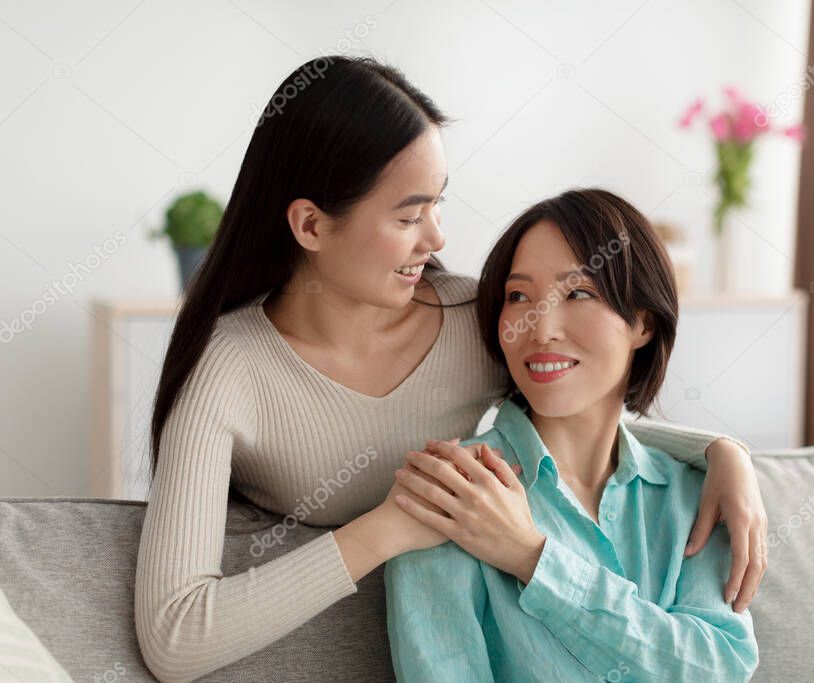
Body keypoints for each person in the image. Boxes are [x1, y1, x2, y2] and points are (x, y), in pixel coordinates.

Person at [135, 56, 766, 682]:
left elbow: (575, 396)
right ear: (311, 224)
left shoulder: (475, 319)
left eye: (438, 205)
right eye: (409, 216)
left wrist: (719, 453)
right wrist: (385, 530)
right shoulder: (226, 369)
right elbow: (173, 636)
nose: (437, 238)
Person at [385, 189, 759, 682]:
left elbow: (720, 667)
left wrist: (533, 559)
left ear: (643, 321)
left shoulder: (697, 495)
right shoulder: (453, 495)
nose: (540, 329)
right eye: (518, 297)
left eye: (578, 293)